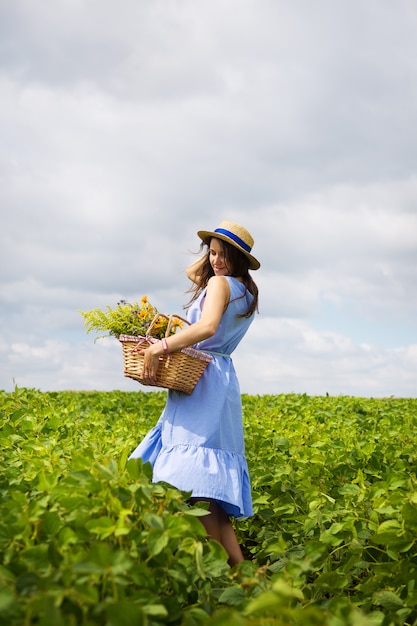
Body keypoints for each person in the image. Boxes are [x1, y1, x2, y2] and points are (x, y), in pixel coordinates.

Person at [129, 220, 260, 566]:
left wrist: (162, 347)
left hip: (201, 380)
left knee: (195, 489)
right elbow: (195, 272)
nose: (214, 261)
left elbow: (207, 327)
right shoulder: (245, 290)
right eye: (212, 253)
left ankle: (216, 575)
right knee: (210, 496)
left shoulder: (219, 284)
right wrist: (215, 251)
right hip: (221, 381)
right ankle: (245, 577)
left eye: (222, 254)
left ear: (238, 257)